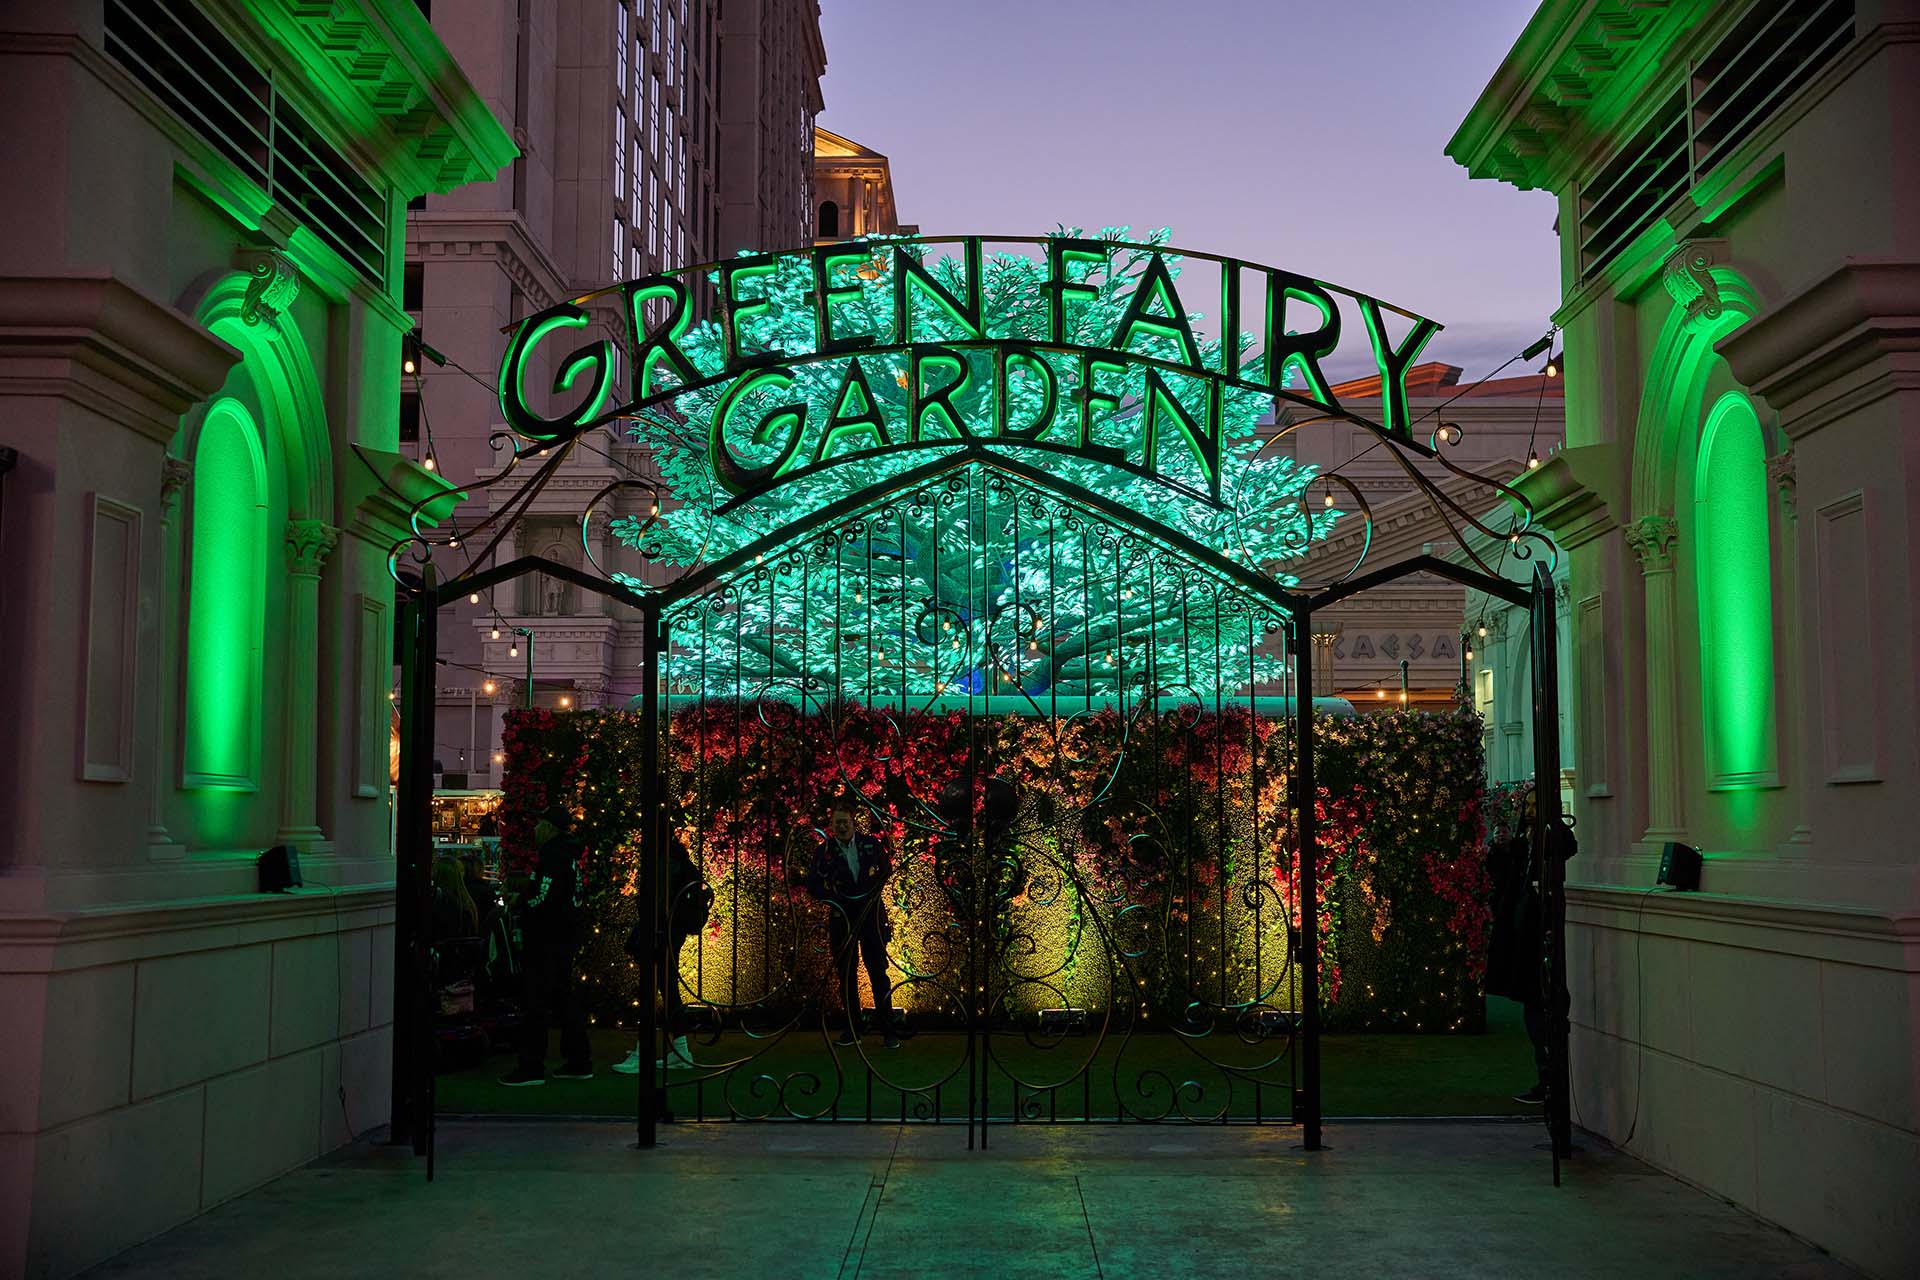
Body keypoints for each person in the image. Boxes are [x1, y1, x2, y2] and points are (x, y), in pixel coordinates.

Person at [1485, 788, 1571, 1104]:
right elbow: (1505, 874)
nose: (1532, 809)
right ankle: (1545, 1078)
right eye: (1529, 804)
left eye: (1537, 803)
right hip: (1522, 937)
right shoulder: (1525, 842)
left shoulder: (1551, 838)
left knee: (1542, 1004)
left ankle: (1550, 1080)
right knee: (1533, 1006)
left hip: (1539, 937)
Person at [499, 806, 592, 1086]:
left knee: (535, 1002)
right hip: (564, 938)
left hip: (546, 941)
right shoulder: (569, 859)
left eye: (540, 824)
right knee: (564, 1000)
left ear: (550, 828)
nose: (535, 829)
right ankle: (578, 1061)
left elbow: (544, 898)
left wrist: (521, 903)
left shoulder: (552, 858)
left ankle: (532, 1066)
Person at [797, 796, 898, 1049]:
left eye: (846, 822)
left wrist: (871, 896)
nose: (842, 827)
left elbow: (886, 870)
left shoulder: (871, 845)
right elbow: (813, 883)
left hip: (870, 918)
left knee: (878, 972)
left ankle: (888, 1029)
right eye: (837, 823)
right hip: (842, 919)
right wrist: (833, 899)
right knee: (846, 975)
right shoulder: (824, 852)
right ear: (832, 825)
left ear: (853, 823)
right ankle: (853, 1029)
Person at [613, 835, 712, 1074]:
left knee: (650, 988)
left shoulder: (663, 860)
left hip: (660, 930)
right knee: (668, 988)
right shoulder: (678, 858)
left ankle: (643, 1053)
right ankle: (680, 1050)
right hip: (671, 930)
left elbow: (654, 900)